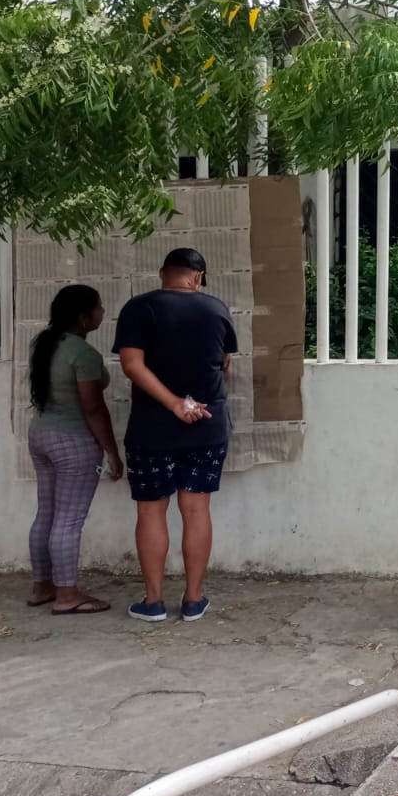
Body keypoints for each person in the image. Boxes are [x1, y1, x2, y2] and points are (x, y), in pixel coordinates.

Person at [114, 247, 237, 622]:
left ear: (162, 272)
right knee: (196, 510)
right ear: (198, 278)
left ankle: (152, 602)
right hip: (207, 426)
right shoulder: (217, 310)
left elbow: (131, 365)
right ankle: (194, 600)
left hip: (152, 430)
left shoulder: (139, 308)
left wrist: (171, 403)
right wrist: (190, 403)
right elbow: (224, 363)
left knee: (151, 511)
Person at [26, 284, 123, 614]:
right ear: (83, 318)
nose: (102, 313)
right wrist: (111, 450)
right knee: (68, 521)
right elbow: (94, 409)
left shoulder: (44, 344)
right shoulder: (83, 355)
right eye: (98, 308)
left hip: (40, 435)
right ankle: (67, 595)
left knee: (47, 514)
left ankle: (43, 587)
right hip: (73, 442)